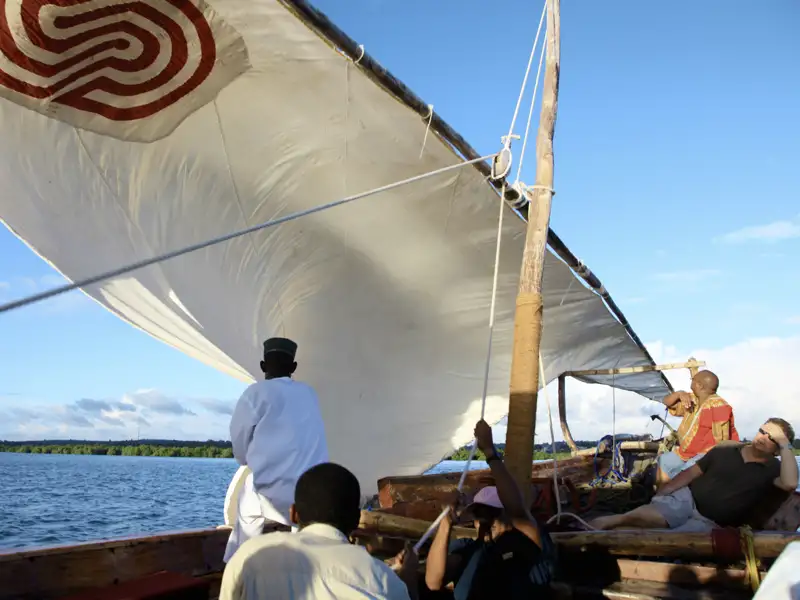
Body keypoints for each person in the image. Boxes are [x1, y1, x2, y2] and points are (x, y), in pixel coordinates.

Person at [220, 462, 418, 600]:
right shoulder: (380, 578)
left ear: (293, 514)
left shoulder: (247, 556)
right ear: (357, 519)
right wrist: (408, 581)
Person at [424, 419, 556, 600]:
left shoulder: (528, 543)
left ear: (508, 516)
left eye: (493, 513)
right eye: (479, 514)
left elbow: (517, 510)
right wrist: (445, 523)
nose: (485, 520)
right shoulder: (467, 549)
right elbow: (433, 582)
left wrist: (490, 453)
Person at [591, 418, 798, 532]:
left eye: (772, 438)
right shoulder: (726, 448)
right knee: (660, 515)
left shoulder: (774, 470)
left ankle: (609, 531)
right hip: (687, 498)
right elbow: (693, 471)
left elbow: (790, 484)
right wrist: (666, 490)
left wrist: (784, 442)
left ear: (779, 448)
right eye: (762, 431)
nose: (763, 437)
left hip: (711, 522)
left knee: (666, 536)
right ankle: (611, 521)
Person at [224, 337, 328, 561]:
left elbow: (239, 440)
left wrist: (244, 459)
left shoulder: (255, 393)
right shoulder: (309, 393)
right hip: (312, 494)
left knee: (248, 504)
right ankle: (301, 561)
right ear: (293, 367)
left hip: (272, 494)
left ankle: (239, 564)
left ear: (263, 366)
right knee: (302, 524)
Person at [656, 370, 738, 485]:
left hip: (705, 455)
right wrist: (679, 393)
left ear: (700, 385)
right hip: (685, 453)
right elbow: (667, 401)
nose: (691, 381)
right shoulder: (692, 399)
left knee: (683, 475)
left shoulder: (719, 406)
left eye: (693, 380)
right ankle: (661, 492)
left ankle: (673, 492)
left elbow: (721, 442)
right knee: (664, 460)